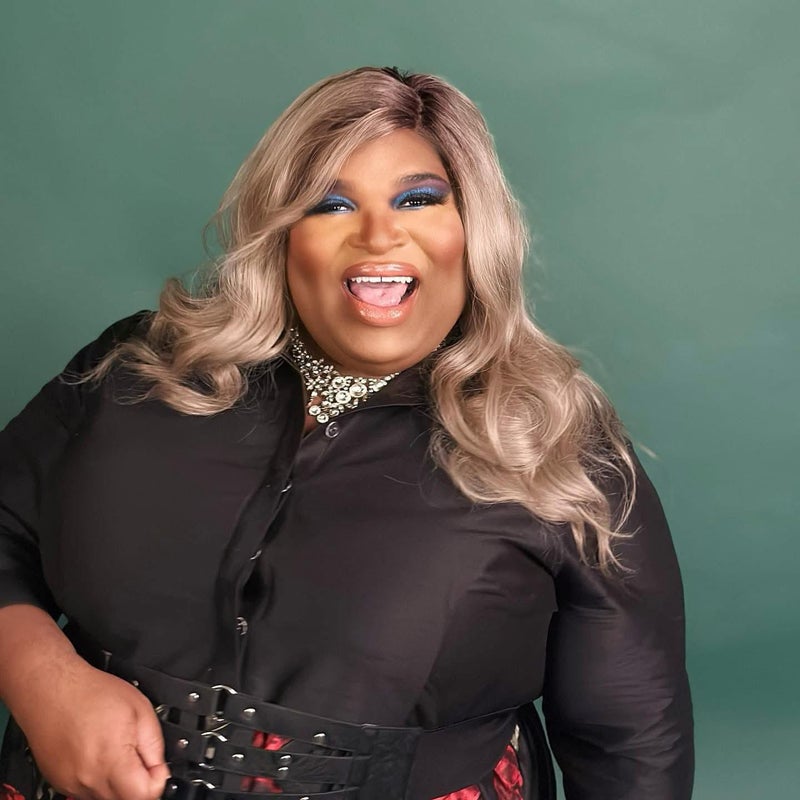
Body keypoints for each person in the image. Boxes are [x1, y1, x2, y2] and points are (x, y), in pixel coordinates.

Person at [0, 66, 693, 800]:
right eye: (329, 205)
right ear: (281, 236)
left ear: (473, 230)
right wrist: (39, 675)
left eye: (418, 199)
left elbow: (632, 745)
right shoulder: (137, 370)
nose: (378, 234)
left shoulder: (556, 443)